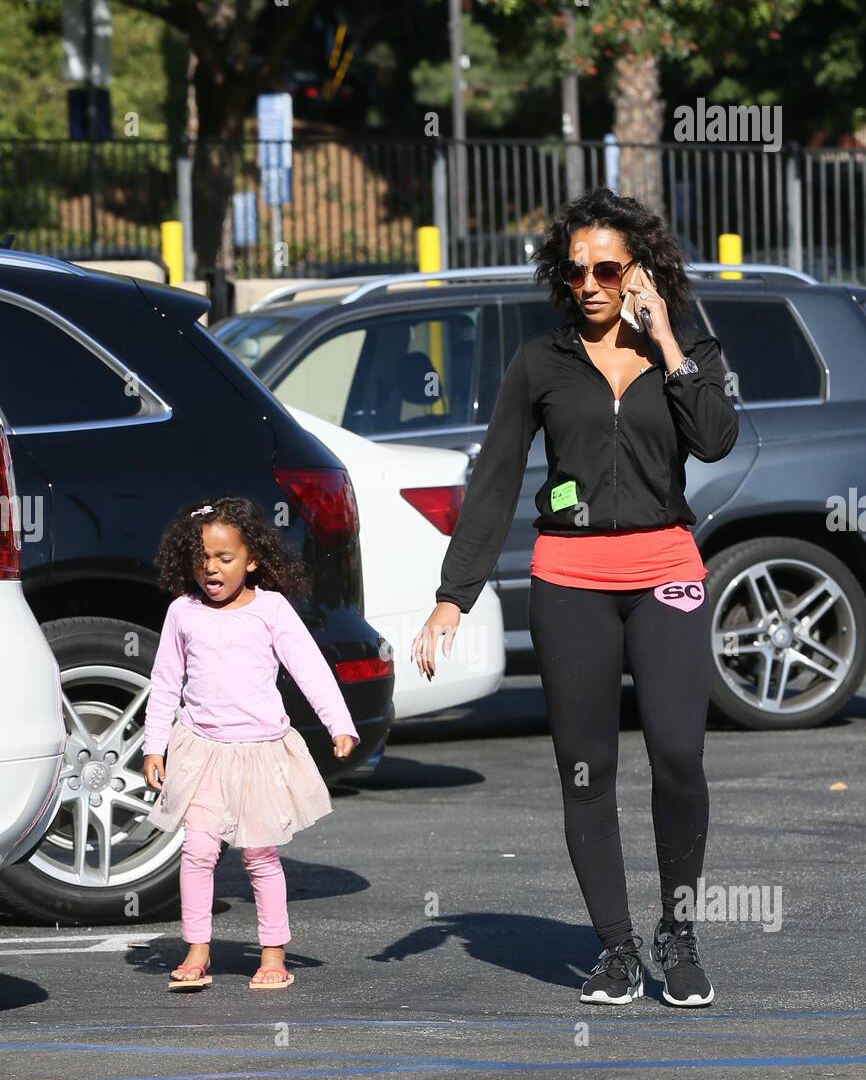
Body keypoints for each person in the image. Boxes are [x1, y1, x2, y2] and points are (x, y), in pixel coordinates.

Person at [411, 187, 738, 1007]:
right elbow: (493, 479)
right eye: (575, 270)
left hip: (665, 568)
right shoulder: (541, 363)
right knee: (586, 770)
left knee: (678, 754)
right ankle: (619, 949)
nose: (589, 283)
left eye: (607, 269)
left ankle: (679, 931)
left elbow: (715, 437)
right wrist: (455, 594)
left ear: (641, 272)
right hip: (570, 581)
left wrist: (665, 336)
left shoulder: (686, 345)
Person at [142, 496, 359, 992]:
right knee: (197, 850)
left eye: (225, 558)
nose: (211, 569)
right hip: (201, 751)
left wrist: (338, 724)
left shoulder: (271, 610)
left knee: (260, 854)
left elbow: (309, 668)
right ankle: (197, 950)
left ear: (252, 559)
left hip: (260, 751)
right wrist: (155, 746)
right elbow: (164, 682)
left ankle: (273, 952)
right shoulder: (183, 612)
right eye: (202, 558)